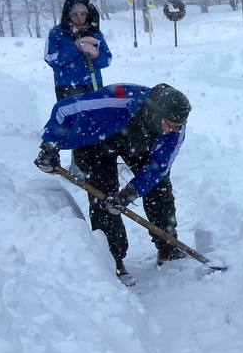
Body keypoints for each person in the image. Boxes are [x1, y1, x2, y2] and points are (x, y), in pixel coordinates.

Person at [34, 82, 191, 282]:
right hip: (97, 140)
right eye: (169, 124)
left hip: (139, 143)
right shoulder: (113, 102)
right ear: (156, 112)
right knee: (103, 196)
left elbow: (159, 167)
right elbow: (63, 110)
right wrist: (49, 146)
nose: (173, 130)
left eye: (177, 126)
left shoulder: (175, 129)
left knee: (159, 190)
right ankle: (112, 259)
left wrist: (131, 193)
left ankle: (168, 248)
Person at [45, 0, 111, 100]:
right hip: (67, 85)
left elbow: (107, 60)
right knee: (72, 115)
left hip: (93, 83)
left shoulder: (95, 33)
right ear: (68, 15)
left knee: (94, 115)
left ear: (88, 14)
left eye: (83, 14)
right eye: (75, 14)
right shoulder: (57, 33)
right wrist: (75, 48)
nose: (79, 18)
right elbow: (51, 59)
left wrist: (96, 55)